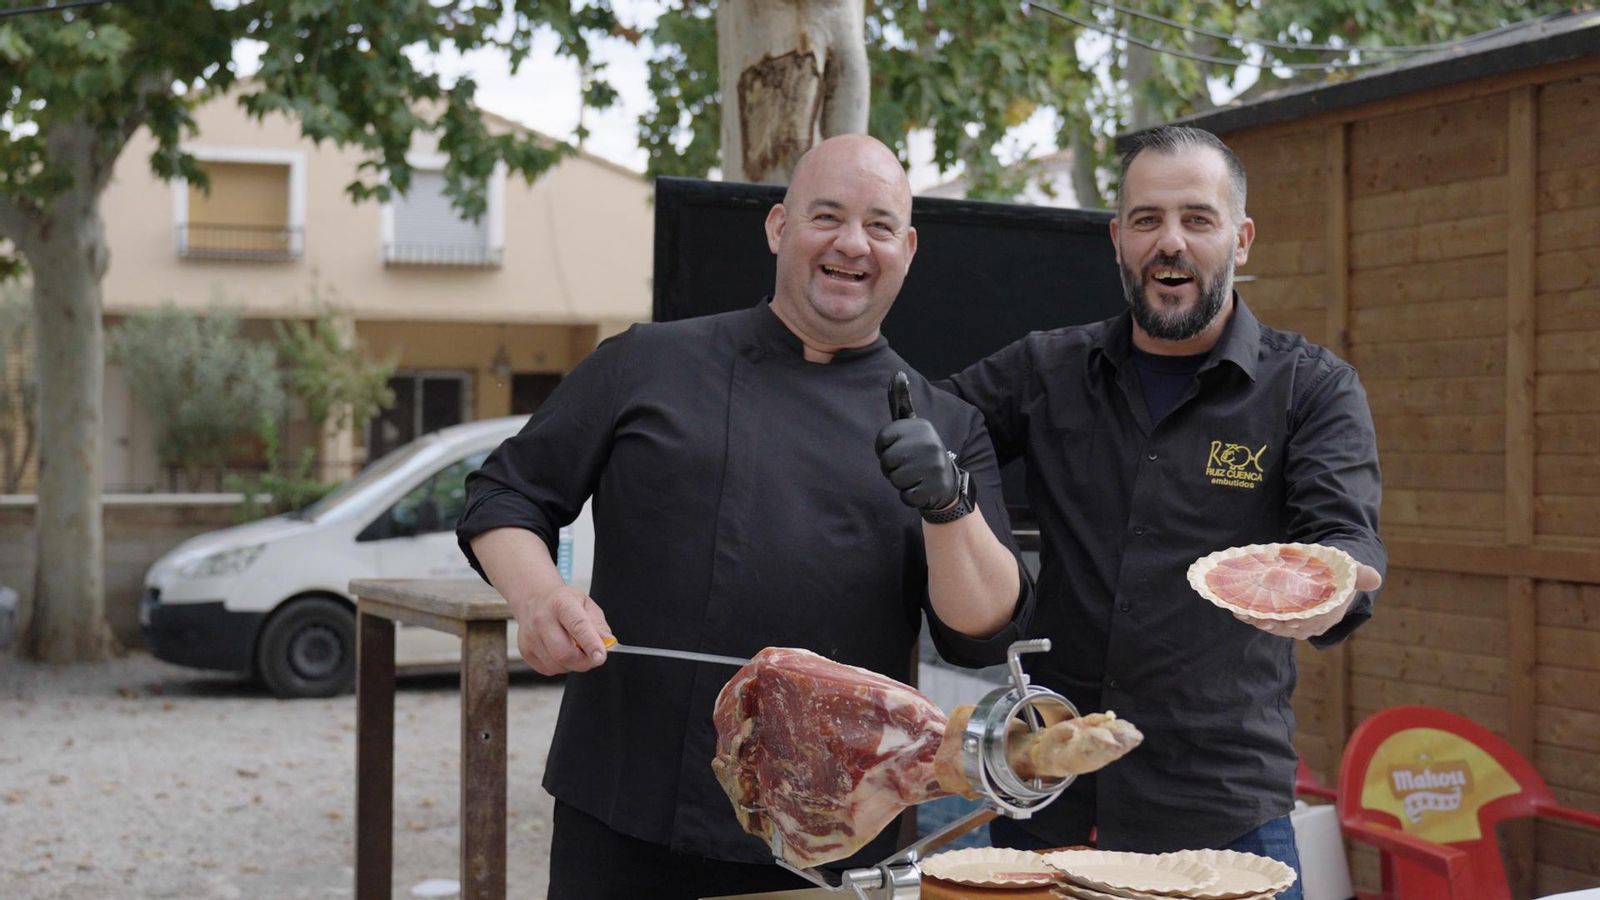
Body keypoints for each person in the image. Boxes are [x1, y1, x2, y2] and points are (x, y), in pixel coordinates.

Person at [457, 134, 1034, 900]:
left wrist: (948, 504)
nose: (852, 244)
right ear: (778, 227)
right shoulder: (646, 362)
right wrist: (538, 598)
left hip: (831, 832)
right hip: (626, 808)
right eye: (826, 216)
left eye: (879, 226)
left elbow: (981, 629)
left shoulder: (946, 425)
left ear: (908, 248)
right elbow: (505, 493)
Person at [942, 124, 1385, 895]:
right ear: (1118, 239)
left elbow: (1344, 539)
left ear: (1240, 239)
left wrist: (1328, 591)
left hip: (1224, 813)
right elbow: (929, 427)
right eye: (1147, 220)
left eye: (1197, 219)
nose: (1170, 242)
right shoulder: (1046, 369)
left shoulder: (1311, 388)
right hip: (1051, 796)